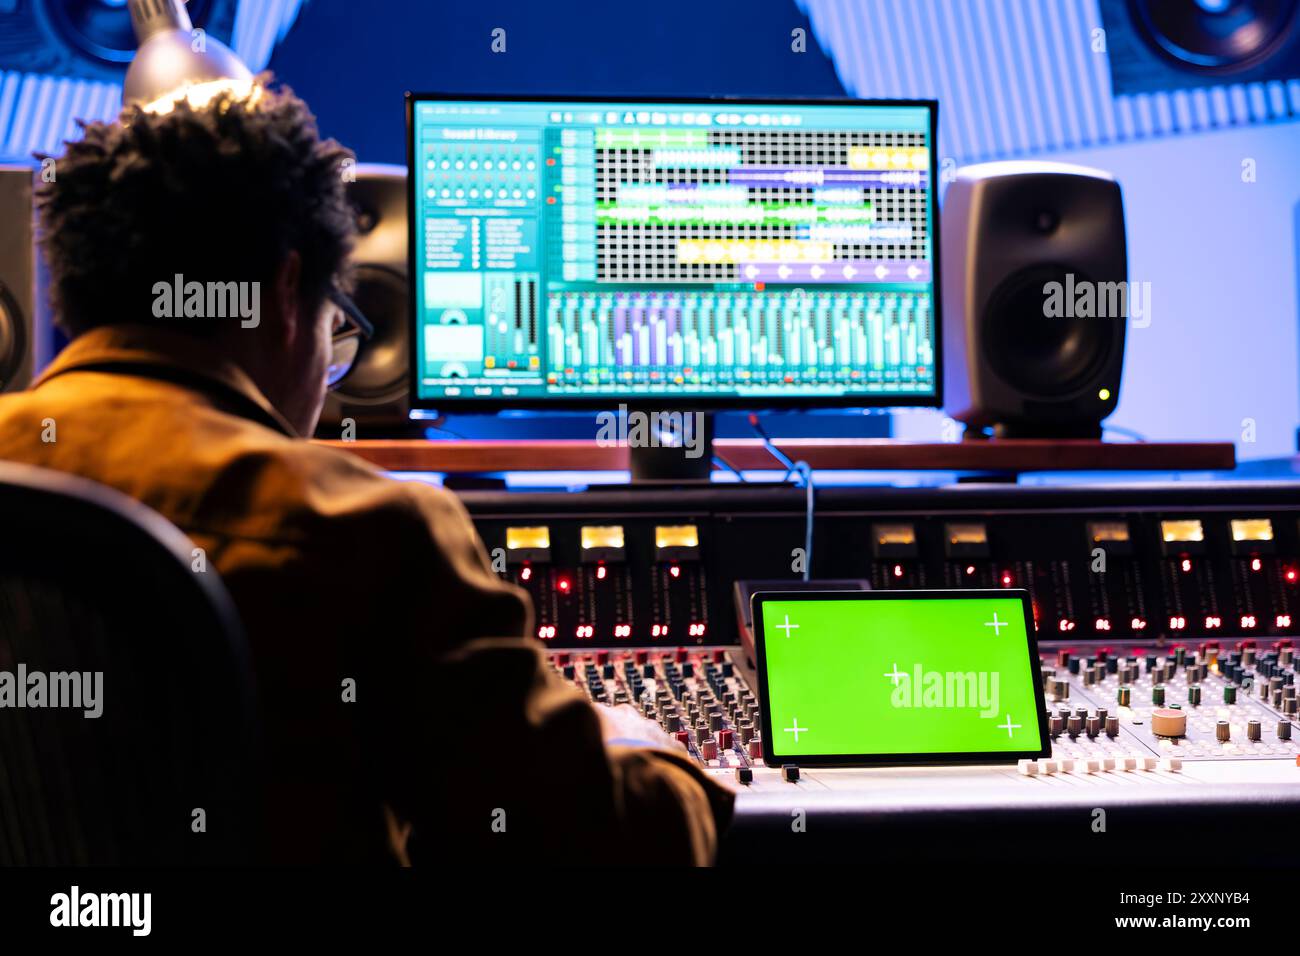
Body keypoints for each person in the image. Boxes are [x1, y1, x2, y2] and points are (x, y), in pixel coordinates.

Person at [0, 80, 733, 864]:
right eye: (335, 319)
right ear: (286, 294)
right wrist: (647, 747)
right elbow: (606, 845)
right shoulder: (367, 533)